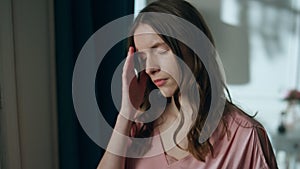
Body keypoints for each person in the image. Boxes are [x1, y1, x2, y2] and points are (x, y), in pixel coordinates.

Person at [97, 0, 278, 168]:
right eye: (142, 57)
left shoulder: (245, 136)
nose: (150, 68)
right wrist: (126, 114)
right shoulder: (139, 128)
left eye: (161, 50)